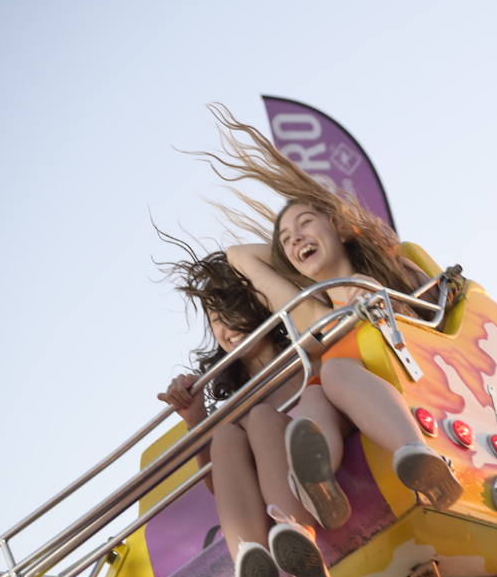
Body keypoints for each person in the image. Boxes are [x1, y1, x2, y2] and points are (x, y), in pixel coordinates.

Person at [195, 105, 462, 524]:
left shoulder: (389, 269)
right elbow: (239, 256)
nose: (296, 237)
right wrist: (290, 254)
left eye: (306, 224)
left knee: (333, 375)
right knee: (322, 386)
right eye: (286, 238)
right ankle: (315, 484)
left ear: (339, 226)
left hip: (409, 374)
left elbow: (432, 312)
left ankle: (416, 455)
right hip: (347, 394)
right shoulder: (314, 310)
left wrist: (347, 251)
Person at [157, 242, 332, 577]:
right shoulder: (233, 409)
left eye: (232, 309)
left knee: (262, 419)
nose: (225, 327)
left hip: (315, 472)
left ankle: (297, 534)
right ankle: (253, 564)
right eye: (214, 318)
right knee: (225, 437)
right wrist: (196, 417)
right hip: (263, 483)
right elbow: (221, 485)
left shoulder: (308, 352)